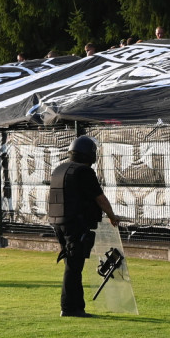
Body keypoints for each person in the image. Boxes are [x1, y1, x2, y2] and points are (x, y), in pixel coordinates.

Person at [47, 136, 120, 318]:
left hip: (58, 222)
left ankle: (77, 306)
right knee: (74, 266)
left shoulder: (59, 169)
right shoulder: (84, 172)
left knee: (72, 264)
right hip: (75, 224)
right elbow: (100, 198)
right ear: (89, 154)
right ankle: (70, 308)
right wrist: (112, 216)